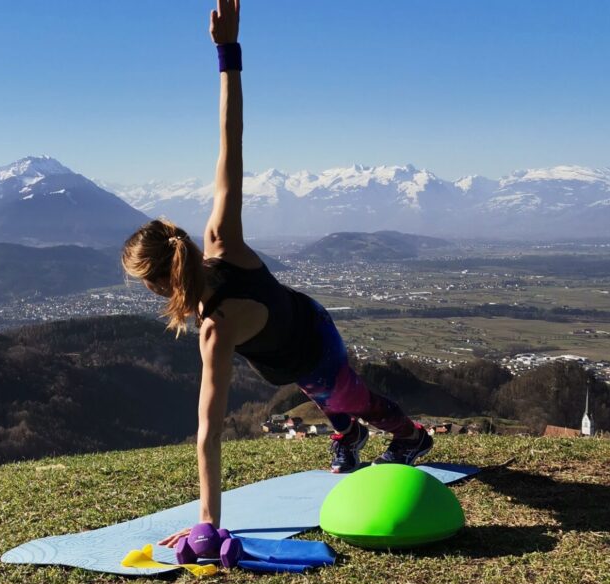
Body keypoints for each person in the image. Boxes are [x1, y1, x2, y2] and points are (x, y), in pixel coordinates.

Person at [120, 0, 433, 549]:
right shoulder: (221, 239)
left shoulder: (215, 330)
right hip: (296, 331)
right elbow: (230, 142)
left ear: (158, 282)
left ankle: (411, 436)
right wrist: (227, 52)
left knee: (347, 396)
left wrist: (207, 524)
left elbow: (208, 432)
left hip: (313, 346)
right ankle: (348, 435)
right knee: (325, 398)